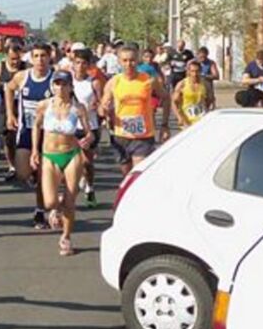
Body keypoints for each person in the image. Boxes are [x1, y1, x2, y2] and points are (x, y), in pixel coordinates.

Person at [30, 71, 93, 256]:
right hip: (50, 155)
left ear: (70, 86)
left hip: (72, 155)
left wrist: (88, 138)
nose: (60, 88)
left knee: (70, 202)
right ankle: (55, 209)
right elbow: (36, 126)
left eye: (64, 84)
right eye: (57, 84)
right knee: (50, 201)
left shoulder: (78, 108)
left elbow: (90, 132)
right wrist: (35, 150)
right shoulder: (44, 105)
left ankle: (66, 237)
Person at [99, 43, 171, 175]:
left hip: (143, 136)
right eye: (125, 60)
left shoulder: (149, 80)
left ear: (137, 60)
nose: (129, 64)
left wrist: (164, 125)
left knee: (137, 175)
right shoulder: (113, 82)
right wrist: (104, 109)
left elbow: (166, 98)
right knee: (127, 176)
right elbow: (102, 107)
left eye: (132, 60)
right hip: (121, 136)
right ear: (119, 62)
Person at [5, 42, 54, 229]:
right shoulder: (22, 77)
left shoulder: (55, 79)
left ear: (50, 57)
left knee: (42, 175)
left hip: (48, 135)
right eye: (36, 56)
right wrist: (10, 114)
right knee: (22, 172)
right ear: (31, 58)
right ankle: (35, 180)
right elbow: (8, 89)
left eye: (43, 56)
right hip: (26, 131)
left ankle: (40, 211)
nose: (40, 60)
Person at [0, 41, 27, 182]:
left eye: (17, 58)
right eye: (12, 59)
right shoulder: (1, 67)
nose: (15, 62)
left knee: (24, 137)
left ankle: (26, 165)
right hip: (4, 105)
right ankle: (12, 167)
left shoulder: (26, 67)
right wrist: (2, 85)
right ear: (6, 57)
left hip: (23, 106)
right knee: (8, 138)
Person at [71, 48, 103, 207]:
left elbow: (101, 102)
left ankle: (90, 187)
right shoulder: (66, 81)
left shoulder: (93, 82)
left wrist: (96, 105)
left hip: (89, 126)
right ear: (73, 64)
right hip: (70, 127)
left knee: (86, 163)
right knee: (71, 162)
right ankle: (69, 196)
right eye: (77, 63)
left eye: (84, 63)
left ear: (89, 65)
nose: (80, 66)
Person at [173, 59, 215, 128]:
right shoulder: (182, 84)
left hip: (201, 119)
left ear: (200, 71)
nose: (195, 74)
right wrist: (179, 117)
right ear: (188, 72)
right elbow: (174, 102)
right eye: (192, 71)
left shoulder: (205, 84)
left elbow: (211, 100)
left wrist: (207, 110)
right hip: (187, 120)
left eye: (197, 71)